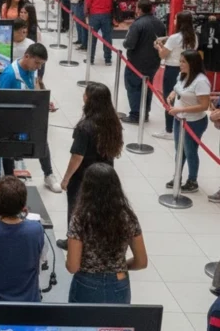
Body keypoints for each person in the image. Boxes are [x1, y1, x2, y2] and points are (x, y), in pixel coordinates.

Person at [66, 163, 148, 303]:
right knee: (115, 325)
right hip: (118, 282)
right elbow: (141, 262)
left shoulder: (80, 219)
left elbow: (73, 266)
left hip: (87, 284)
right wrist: (121, 266)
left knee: (83, 324)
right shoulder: (127, 217)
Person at [57, 82, 123, 250]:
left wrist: (66, 179)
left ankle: (73, 241)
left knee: (76, 209)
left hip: (83, 177)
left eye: (85, 95)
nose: (83, 97)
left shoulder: (84, 127)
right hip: (106, 173)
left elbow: (77, 156)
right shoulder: (113, 122)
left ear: (90, 100)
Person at [0, 43, 61, 192]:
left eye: (41, 64)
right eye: (37, 63)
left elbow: (32, 90)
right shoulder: (10, 74)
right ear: (27, 56)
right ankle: (9, 181)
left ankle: (48, 174)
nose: (38, 67)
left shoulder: (31, 70)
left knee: (41, 140)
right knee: (8, 149)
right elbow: (0, 101)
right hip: (10, 121)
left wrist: (43, 104)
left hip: (27, 117)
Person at [165, 50, 211, 194]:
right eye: (180, 61)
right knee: (179, 150)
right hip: (180, 120)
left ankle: (192, 181)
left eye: (183, 61)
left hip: (194, 122)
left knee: (190, 151)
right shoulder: (183, 75)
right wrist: (172, 94)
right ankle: (177, 176)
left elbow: (204, 106)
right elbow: (178, 87)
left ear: (193, 63)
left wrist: (179, 110)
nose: (180, 64)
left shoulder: (201, 81)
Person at [121, 0, 167, 124]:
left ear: (139, 9)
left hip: (136, 62)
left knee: (134, 87)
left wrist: (124, 43)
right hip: (154, 61)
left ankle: (135, 114)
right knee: (147, 87)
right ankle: (145, 112)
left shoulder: (137, 24)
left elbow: (130, 43)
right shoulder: (160, 24)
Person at [153, 11, 196, 139]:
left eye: (176, 19)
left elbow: (163, 55)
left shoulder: (174, 38)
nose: (174, 21)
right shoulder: (194, 37)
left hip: (173, 69)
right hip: (189, 69)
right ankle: (180, 125)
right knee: (182, 97)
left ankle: (169, 129)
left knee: (169, 97)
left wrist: (159, 47)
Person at [84, 0, 117, 66]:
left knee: (92, 38)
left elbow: (88, 2)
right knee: (107, 38)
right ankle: (108, 59)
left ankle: (90, 59)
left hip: (94, 15)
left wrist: (86, 14)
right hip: (107, 15)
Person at [20, 4, 45, 88]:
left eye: (25, 12)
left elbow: (39, 47)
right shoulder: (18, 25)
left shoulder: (35, 29)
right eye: (21, 12)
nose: (22, 14)